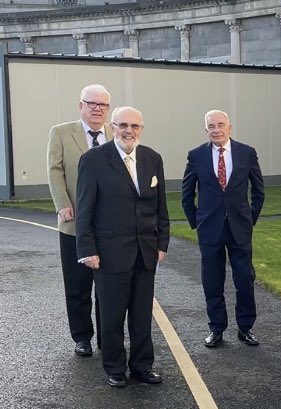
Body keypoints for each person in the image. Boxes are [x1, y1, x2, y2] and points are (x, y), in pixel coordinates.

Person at [75, 106, 170, 388]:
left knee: (142, 315)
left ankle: (142, 365)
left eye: (135, 126)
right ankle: (115, 367)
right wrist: (86, 249)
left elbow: (160, 206)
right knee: (112, 315)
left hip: (145, 251)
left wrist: (162, 242)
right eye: (123, 125)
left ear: (142, 129)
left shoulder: (153, 158)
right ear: (112, 127)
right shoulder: (93, 160)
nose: (129, 131)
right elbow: (84, 209)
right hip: (108, 253)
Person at [181, 109, 265, 348]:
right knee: (212, 280)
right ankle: (216, 328)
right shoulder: (196, 156)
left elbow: (258, 192)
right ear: (205, 130)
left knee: (244, 279)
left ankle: (245, 327)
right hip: (210, 229)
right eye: (211, 126)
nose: (216, 130)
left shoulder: (246, 153)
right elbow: (187, 195)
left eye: (220, 125)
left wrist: (250, 219)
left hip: (240, 228)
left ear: (229, 127)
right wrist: (197, 222)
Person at [47, 84, 112, 357]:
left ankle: (107, 338)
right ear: (80, 105)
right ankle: (82, 337)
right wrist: (63, 205)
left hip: (109, 226)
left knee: (108, 287)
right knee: (77, 285)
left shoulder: (115, 133)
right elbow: (54, 169)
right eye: (91, 103)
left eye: (102, 105)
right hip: (74, 224)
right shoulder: (61, 132)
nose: (97, 109)